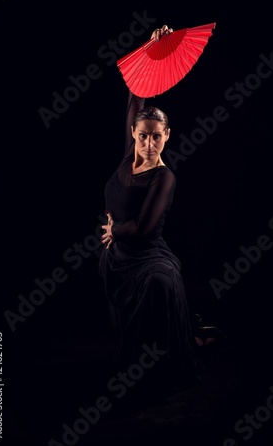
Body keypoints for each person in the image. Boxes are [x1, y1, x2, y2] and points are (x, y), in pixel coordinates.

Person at [98, 25, 203, 402]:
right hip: (119, 259)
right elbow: (135, 95)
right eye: (142, 135)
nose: (148, 143)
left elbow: (143, 229)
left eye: (156, 136)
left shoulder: (165, 177)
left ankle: (143, 374)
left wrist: (113, 232)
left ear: (167, 136)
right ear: (134, 133)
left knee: (160, 282)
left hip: (147, 255)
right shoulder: (130, 155)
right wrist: (149, 48)